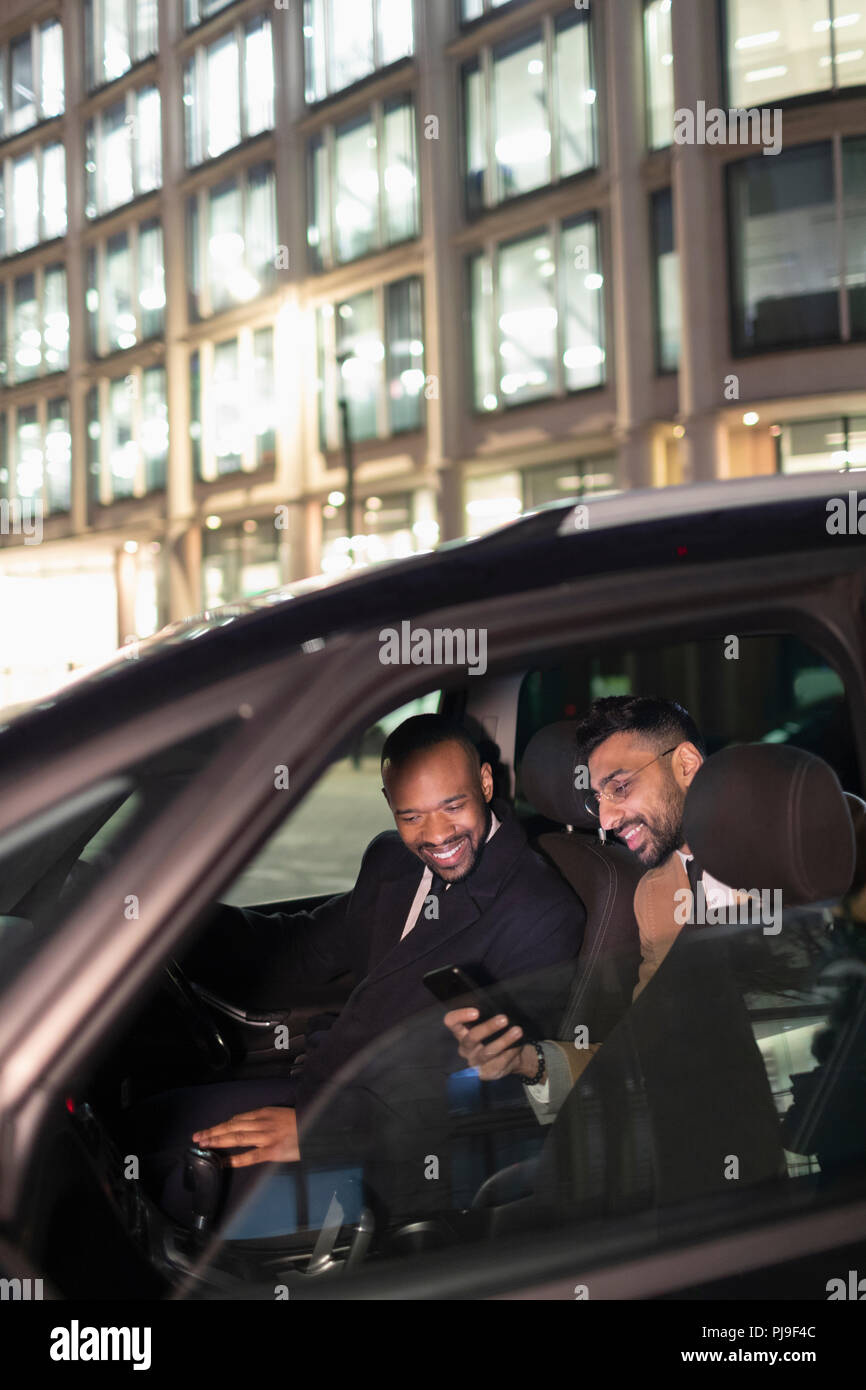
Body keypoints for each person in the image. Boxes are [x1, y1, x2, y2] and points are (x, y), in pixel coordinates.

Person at [128, 714, 586, 1224]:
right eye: (411, 816)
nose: (436, 836)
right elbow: (299, 951)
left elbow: (504, 1095)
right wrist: (165, 922)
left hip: (393, 1151)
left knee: (162, 1179)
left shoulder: (540, 912)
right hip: (325, 1088)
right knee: (139, 1129)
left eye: (452, 807)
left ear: (484, 781)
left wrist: (325, 1133)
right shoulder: (393, 862)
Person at [445, 696, 752, 1120]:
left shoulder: (787, 846)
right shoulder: (655, 894)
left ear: (686, 764)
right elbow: (647, 1047)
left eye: (620, 787)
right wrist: (526, 1063)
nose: (605, 819)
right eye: (598, 798)